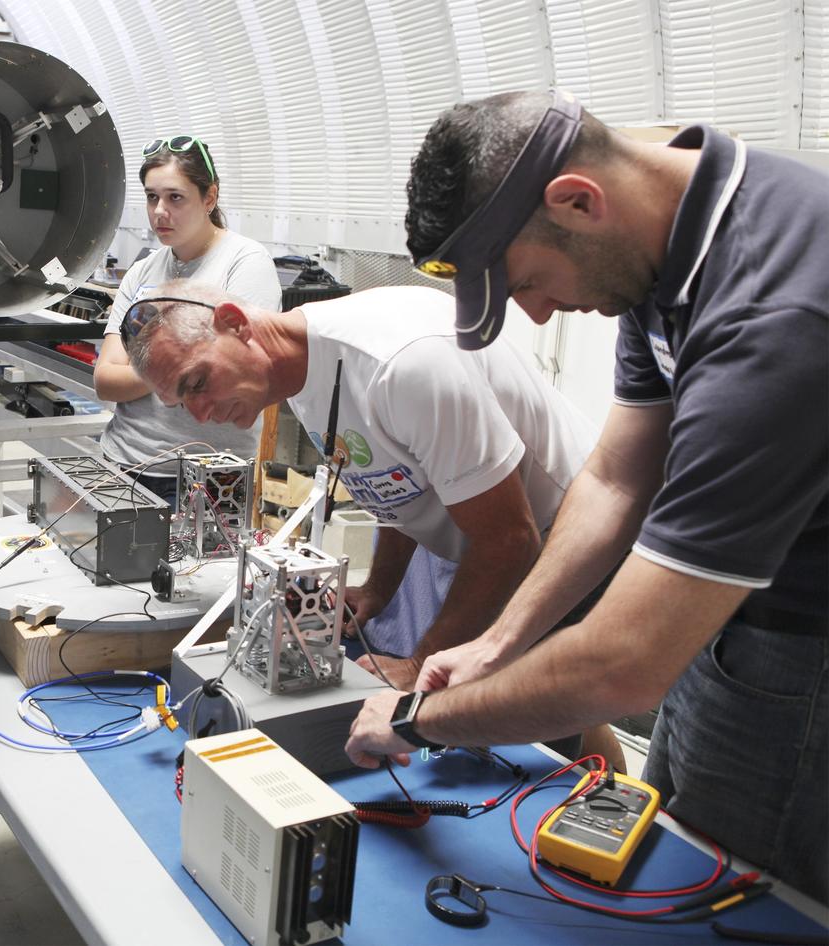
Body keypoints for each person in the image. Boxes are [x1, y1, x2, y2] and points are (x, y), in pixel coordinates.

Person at [345, 89, 828, 904]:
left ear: (578, 201)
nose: (534, 313)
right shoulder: (666, 253)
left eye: (528, 281)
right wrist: (500, 642)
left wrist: (413, 721)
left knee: (742, 894)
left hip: (803, 653)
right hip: (730, 619)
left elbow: (624, 667)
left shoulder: (775, 315)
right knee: (673, 842)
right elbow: (617, 476)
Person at [122, 279, 606, 704]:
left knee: (541, 717)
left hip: (576, 539)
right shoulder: (298, 371)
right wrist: (379, 588)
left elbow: (509, 540)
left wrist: (420, 665)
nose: (202, 414)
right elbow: (395, 479)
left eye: (198, 382)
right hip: (514, 538)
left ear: (234, 323)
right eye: (182, 403)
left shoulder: (402, 364)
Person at [92, 135, 279, 503]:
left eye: (175, 197)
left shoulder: (245, 264)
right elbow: (105, 380)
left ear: (209, 197)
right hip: (123, 462)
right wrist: (180, 368)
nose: (160, 211)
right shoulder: (142, 272)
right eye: (151, 197)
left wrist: (148, 367)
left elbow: (228, 377)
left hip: (207, 477)